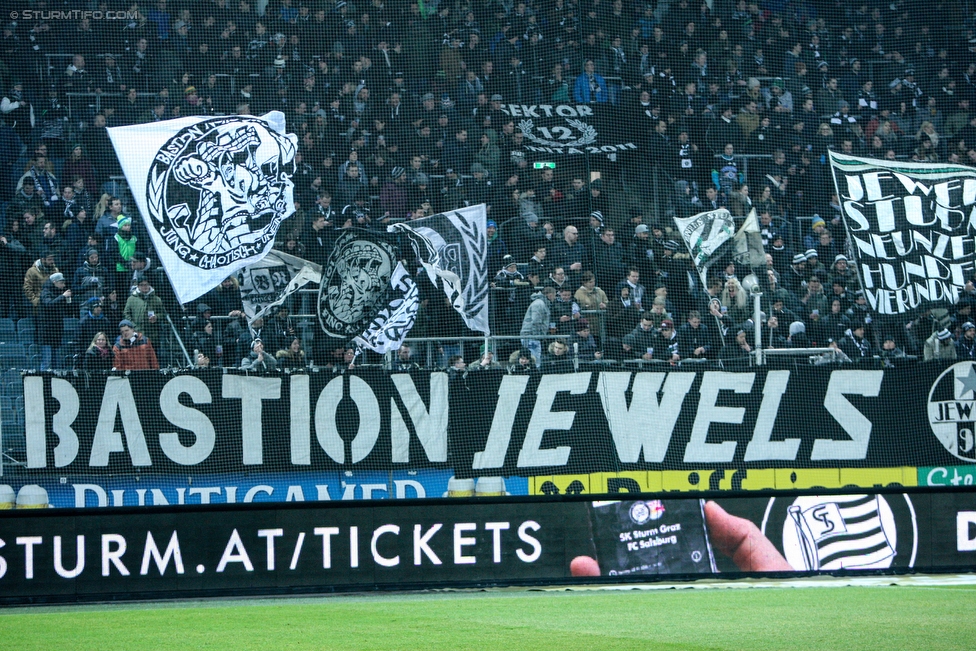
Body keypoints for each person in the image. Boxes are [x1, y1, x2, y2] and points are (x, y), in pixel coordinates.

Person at [38, 272, 74, 370]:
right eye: (61, 283)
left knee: (56, 363)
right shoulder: (45, 292)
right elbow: (49, 304)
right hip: (46, 334)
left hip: (56, 334)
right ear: (54, 282)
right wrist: (63, 296)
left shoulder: (59, 293)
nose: (63, 285)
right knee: (47, 362)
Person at [124, 277, 166, 349]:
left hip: (153, 335)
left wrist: (156, 317)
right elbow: (126, 313)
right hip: (136, 335)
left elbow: (163, 313)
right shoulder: (131, 299)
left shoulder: (156, 299)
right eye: (142, 285)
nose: (145, 287)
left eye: (146, 284)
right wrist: (133, 326)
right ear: (138, 286)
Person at [519, 286, 556, 368]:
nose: (555, 297)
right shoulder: (539, 304)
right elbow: (535, 321)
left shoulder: (542, 303)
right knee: (534, 359)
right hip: (531, 336)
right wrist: (538, 335)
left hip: (533, 336)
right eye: (554, 295)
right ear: (550, 295)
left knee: (534, 358)